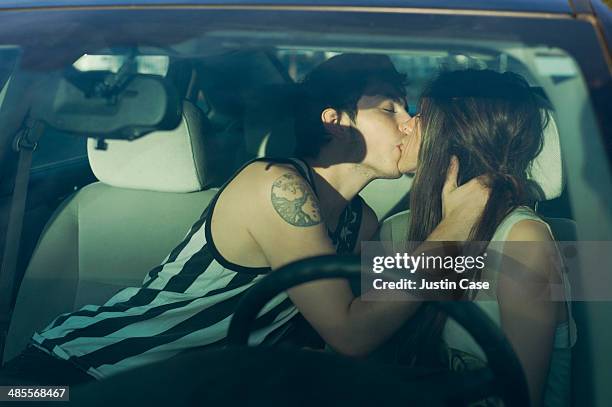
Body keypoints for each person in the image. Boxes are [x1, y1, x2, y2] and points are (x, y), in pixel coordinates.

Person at [1, 54, 489, 384]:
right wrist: (457, 228)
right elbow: (352, 335)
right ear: (334, 120)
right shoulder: (275, 185)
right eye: (389, 107)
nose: (409, 121)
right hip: (75, 378)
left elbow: (367, 324)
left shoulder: (358, 221)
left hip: (179, 391)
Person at [389, 69, 576, 407]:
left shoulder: (522, 239)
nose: (406, 125)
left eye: (421, 116)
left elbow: (520, 397)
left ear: (454, 135)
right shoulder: (400, 228)